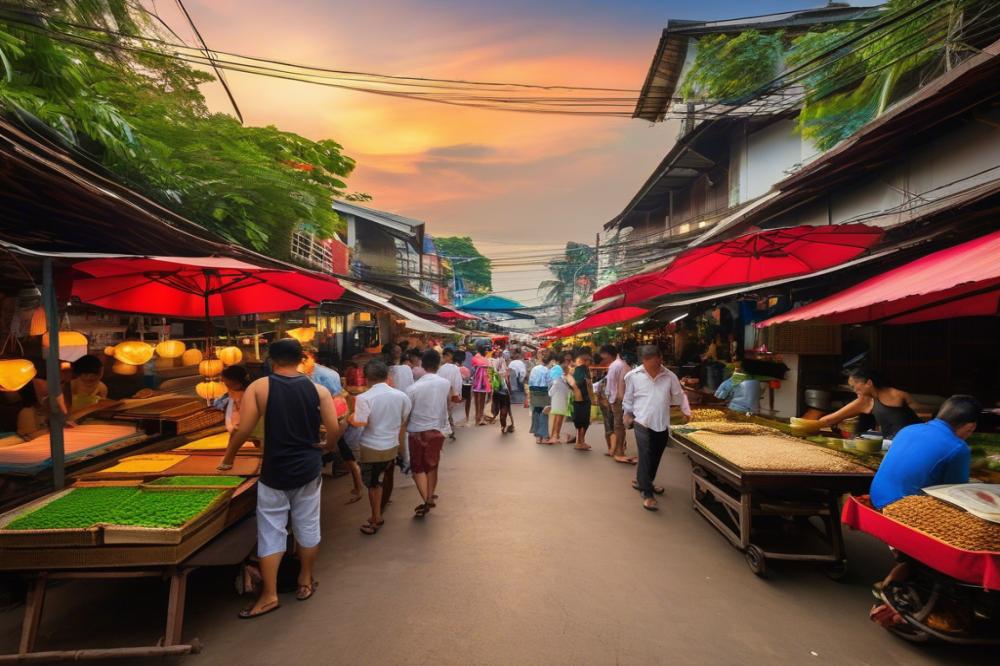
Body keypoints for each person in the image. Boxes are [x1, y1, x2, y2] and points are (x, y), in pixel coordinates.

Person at [219, 338, 342, 618]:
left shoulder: (259, 387)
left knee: (271, 531)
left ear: (271, 360)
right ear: (301, 359)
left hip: (275, 470)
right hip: (309, 468)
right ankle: (305, 580)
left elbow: (244, 428)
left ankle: (270, 594)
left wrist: (228, 458)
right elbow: (333, 427)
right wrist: (328, 446)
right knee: (307, 526)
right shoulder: (318, 389)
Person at [870, 395, 980, 509]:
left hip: (875, 499)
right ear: (971, 427)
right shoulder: (957, 447)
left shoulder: (908, 429)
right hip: (900, 510)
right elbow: (957, 494)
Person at [623, 345, 691, 511]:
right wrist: (627, 413)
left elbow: (679, 395)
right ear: (644, 361)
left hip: (662, 422)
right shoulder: (633, 376)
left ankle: (645, 482)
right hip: (641, 421)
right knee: (645, 455)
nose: (656, 366)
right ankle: (647, 494)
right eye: (651, 363)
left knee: (656, 455)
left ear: (661, 358)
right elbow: (628, 398)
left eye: (658, 362)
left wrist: (685, 410)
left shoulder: (670, 376)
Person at [349, 359, 411, 535]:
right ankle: (378, 513)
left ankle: (376, 518)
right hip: (391, 444)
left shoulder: (363, 398)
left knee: (373, 484)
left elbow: (361, 422)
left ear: (367, 378)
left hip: (371, 446)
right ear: (386, 376)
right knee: (382, 479)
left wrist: (349, 418)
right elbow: (403, 420)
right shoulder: (401, 396)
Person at [405, 350, 452, 517]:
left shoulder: (413, 388)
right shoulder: (445, 383)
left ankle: (425, 499)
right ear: (438, 364)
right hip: (437, 430)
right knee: (432, 465)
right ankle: (430, 496)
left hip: (417, 432)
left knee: (418, 468)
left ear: (422, 365)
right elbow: (448, 404)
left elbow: (407, 413)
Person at [818, 369, 921, 440]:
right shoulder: (866, 401)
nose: (854, 390)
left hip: (914, 442)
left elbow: (924, 416)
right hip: (892, 446)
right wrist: (807, 426)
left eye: (854, 386)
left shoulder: (900, 395)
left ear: (869, 383)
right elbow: (829, 420)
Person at [600, 345, 635, 464]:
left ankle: (619, 451)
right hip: (619, 399)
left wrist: (608, 399)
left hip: (618, 399)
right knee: (619, 425)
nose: (603, 359)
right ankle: (619, 450)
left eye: (603, 356)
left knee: (618, 425)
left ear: (608, 354)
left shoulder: (615, 365)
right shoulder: (620, 365)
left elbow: (610, 386)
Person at [565, 351, 594, 451]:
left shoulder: (573, 371)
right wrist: (593, 398)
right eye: (589, 361)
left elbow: (570, 383)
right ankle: (580, 442)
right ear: (585, 361)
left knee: (579, 421)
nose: (590, 363)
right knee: (584, 421)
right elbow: (589, 386)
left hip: (576, 399)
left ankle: (580, 441)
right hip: (583, 398)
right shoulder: (583, 370)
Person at [546, 351, 573, 445]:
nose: (569, 361)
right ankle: (554, 436)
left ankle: (555, 435)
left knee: (560, 415)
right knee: (558, 415)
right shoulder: (557, 368)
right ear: (562, 360)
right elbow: (554, 382)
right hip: (558, 394)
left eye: (570, 359)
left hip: (563, 394)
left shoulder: (565, 369)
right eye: (567, 360)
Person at [437, 347, 465, 440]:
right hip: (452, 393)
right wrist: (457, 394)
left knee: (445, 412)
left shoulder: (440, 369)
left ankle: (447, 430)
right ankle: (450, 430)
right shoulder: (455, 368)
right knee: (449, 412)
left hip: (442, 393)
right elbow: (458, 383)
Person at [215, 365, 251, 432]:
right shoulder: (230, 394)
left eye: (225, 380)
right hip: (235, 428)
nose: (223, 381)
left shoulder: (247, 395)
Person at [527, 350, 552, 444]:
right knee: (544, 414)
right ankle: (545, 436)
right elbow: (550, 383)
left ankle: (538, 436)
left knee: (536, 413)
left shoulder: (534, 369)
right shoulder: (548, 370)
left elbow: (530, 382)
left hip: (535, 392)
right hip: (545, 392)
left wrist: (529, 394)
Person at [490, 349, 513, 433]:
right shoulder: (501, 363)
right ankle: (505, 425)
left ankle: (504, 426)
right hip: (502, 391)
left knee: (502, 410)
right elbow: (506, 377)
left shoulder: (493, 362)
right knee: (504, 410)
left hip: (499, 391)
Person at [471, 344, 491, 426]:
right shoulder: (484, 359)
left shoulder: (475, 358)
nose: (487, 351)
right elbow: (488, 370)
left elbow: (473, 368)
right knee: (481, 400)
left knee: (477, 400)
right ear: (482, 350)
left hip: (476, 381)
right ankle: (480, 417)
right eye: (486, 350)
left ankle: (477, 417)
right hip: (482, 382)